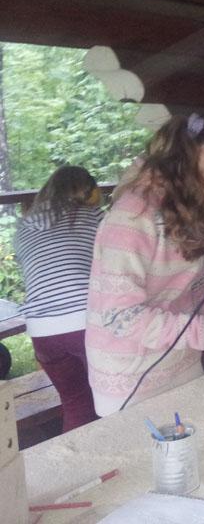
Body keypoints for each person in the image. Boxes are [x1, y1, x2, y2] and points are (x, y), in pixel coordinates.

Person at [85, 113, 204, 415]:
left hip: (180, 365)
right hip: (128, 380)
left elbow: (196, 288)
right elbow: (121, 317)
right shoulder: (132, 216)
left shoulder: (189, 210)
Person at [14, 165, 102, 432]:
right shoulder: (94, 217)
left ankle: (75, 457)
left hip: (42, 330)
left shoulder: (23, 227)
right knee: (109, 397)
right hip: (85, 320)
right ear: (89, 192)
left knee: (75, 403)